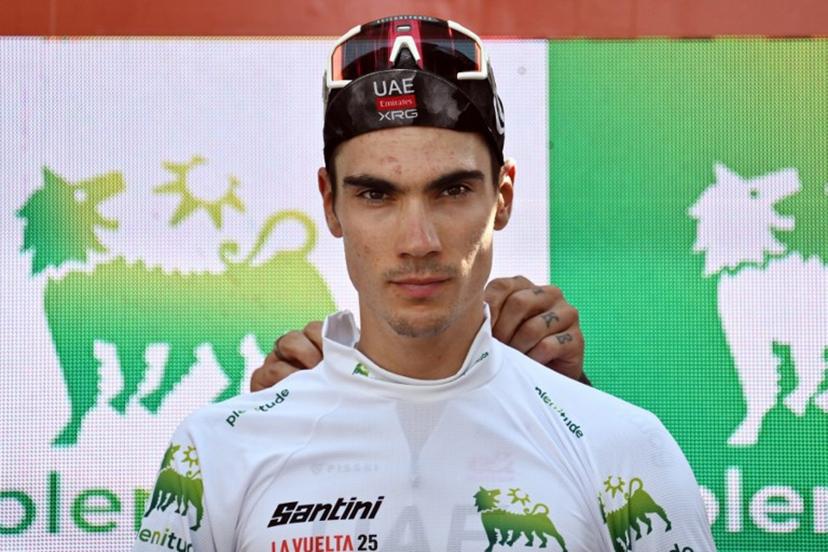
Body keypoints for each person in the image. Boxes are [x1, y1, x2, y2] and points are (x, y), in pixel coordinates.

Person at [135, 15, 715, 551]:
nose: (419, 241)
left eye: (452, 190)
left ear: (503, 197)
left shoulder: (623, 443)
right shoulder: (218, 449)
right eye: (376, 195)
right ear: (330, 205)